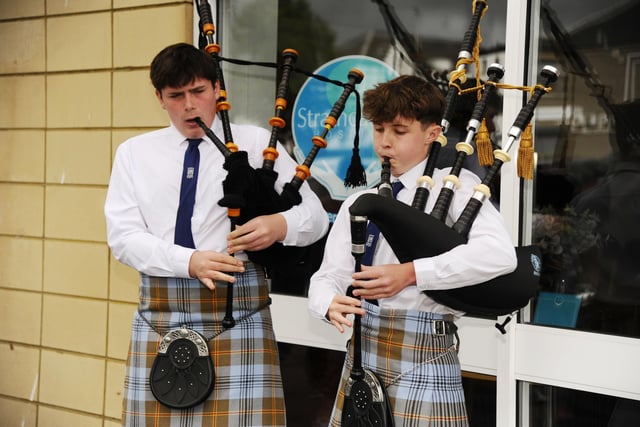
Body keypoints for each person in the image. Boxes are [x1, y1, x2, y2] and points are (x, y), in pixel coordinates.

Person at [105, 42, 329, 426]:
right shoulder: (134, 153)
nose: (190, 105)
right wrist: (188, 261)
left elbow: (315, 215)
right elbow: (123, 237)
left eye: (199, 92)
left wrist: (279, 226)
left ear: (217, 89)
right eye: (176, 96)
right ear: (160, 98)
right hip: (161, 307)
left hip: (238, 308)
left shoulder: (256, 144)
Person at [308, 75, 517, 426]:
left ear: (432, 134)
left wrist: (411, 274)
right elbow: (328, 275)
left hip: (425, 350)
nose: (385, 143)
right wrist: (327, 301)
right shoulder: (362, 200)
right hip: (362, 349)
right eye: (379, 130)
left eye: (399, 131)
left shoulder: (455, 189)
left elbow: (499, 253)